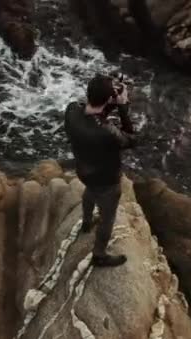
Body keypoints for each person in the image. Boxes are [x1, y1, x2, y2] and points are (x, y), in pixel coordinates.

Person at [64, 74, 137, 267]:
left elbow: (90, 113)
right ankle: (99, 254)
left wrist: (109, 103)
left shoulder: (71, 112)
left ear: (88, 93)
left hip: (84, 171)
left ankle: (86, 221)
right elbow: (130, 139)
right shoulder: (107, 132)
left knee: (90, 192)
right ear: (107, 99)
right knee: (108, 218)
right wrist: (122, 106)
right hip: (106, 180)